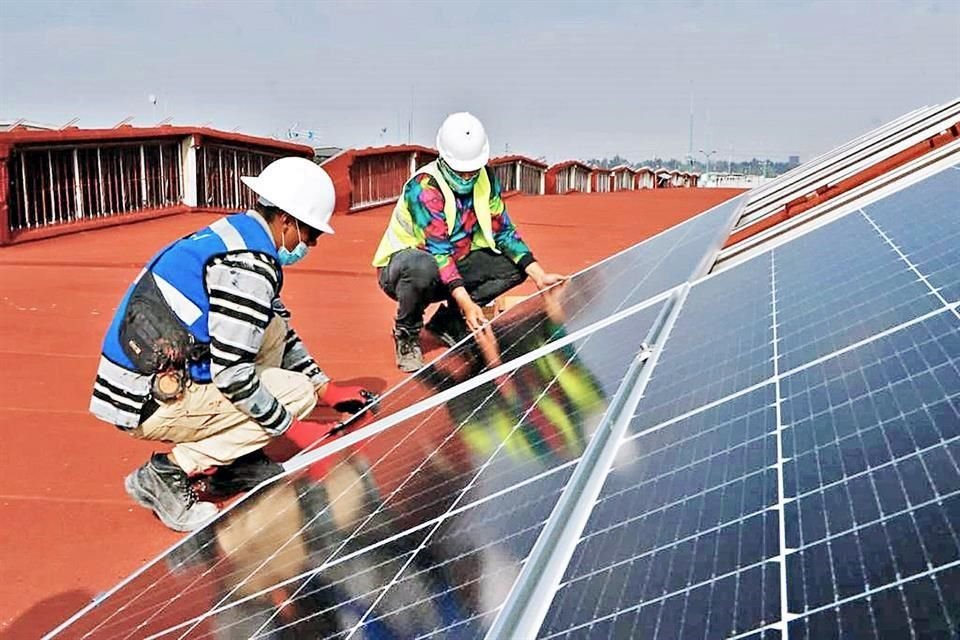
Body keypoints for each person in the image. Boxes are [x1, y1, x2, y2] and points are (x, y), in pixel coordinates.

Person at [90, 157, 376, 532]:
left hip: (146, 382)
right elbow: (233, 376)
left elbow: (276, 329)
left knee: (271, 328)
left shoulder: (236, 234)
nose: (311, 243)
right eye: (310, 234)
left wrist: (328, 387)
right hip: (146, 400)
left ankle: (235, 460)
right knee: (296, 395)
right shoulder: (248, 264)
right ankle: (168, 472)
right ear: (286, 220)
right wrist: (291, 428)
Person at [373, 112, 567, 372]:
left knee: (513, 266)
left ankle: (449, 322)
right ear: (444, 158)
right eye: (460, 171)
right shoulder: (424, 188)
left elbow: (504, 231)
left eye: (471, 170)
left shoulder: (485, 179)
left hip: (453, 264)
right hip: (405, 271)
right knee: (422, 267)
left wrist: (538, 275)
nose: (466, 177)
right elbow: (439, 253)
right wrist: (469, 303)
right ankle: (407, 333)